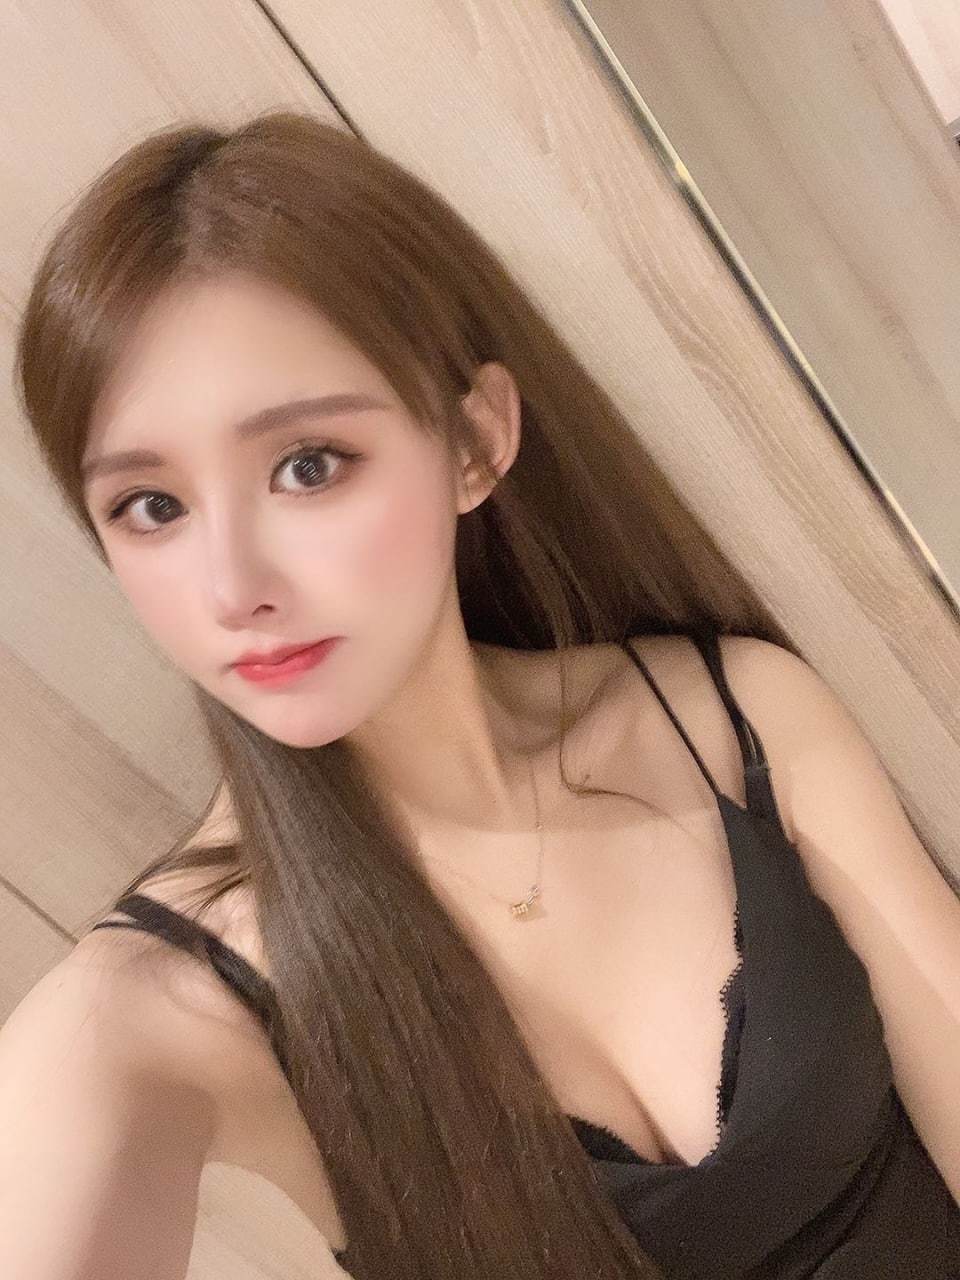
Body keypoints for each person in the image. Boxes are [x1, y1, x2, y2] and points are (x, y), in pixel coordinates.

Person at [2, 109, 958, 1280]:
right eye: (150, 506)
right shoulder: (167, 1007)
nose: (231, 586)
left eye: (307, 465)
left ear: (473, 439)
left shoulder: (732, 720)